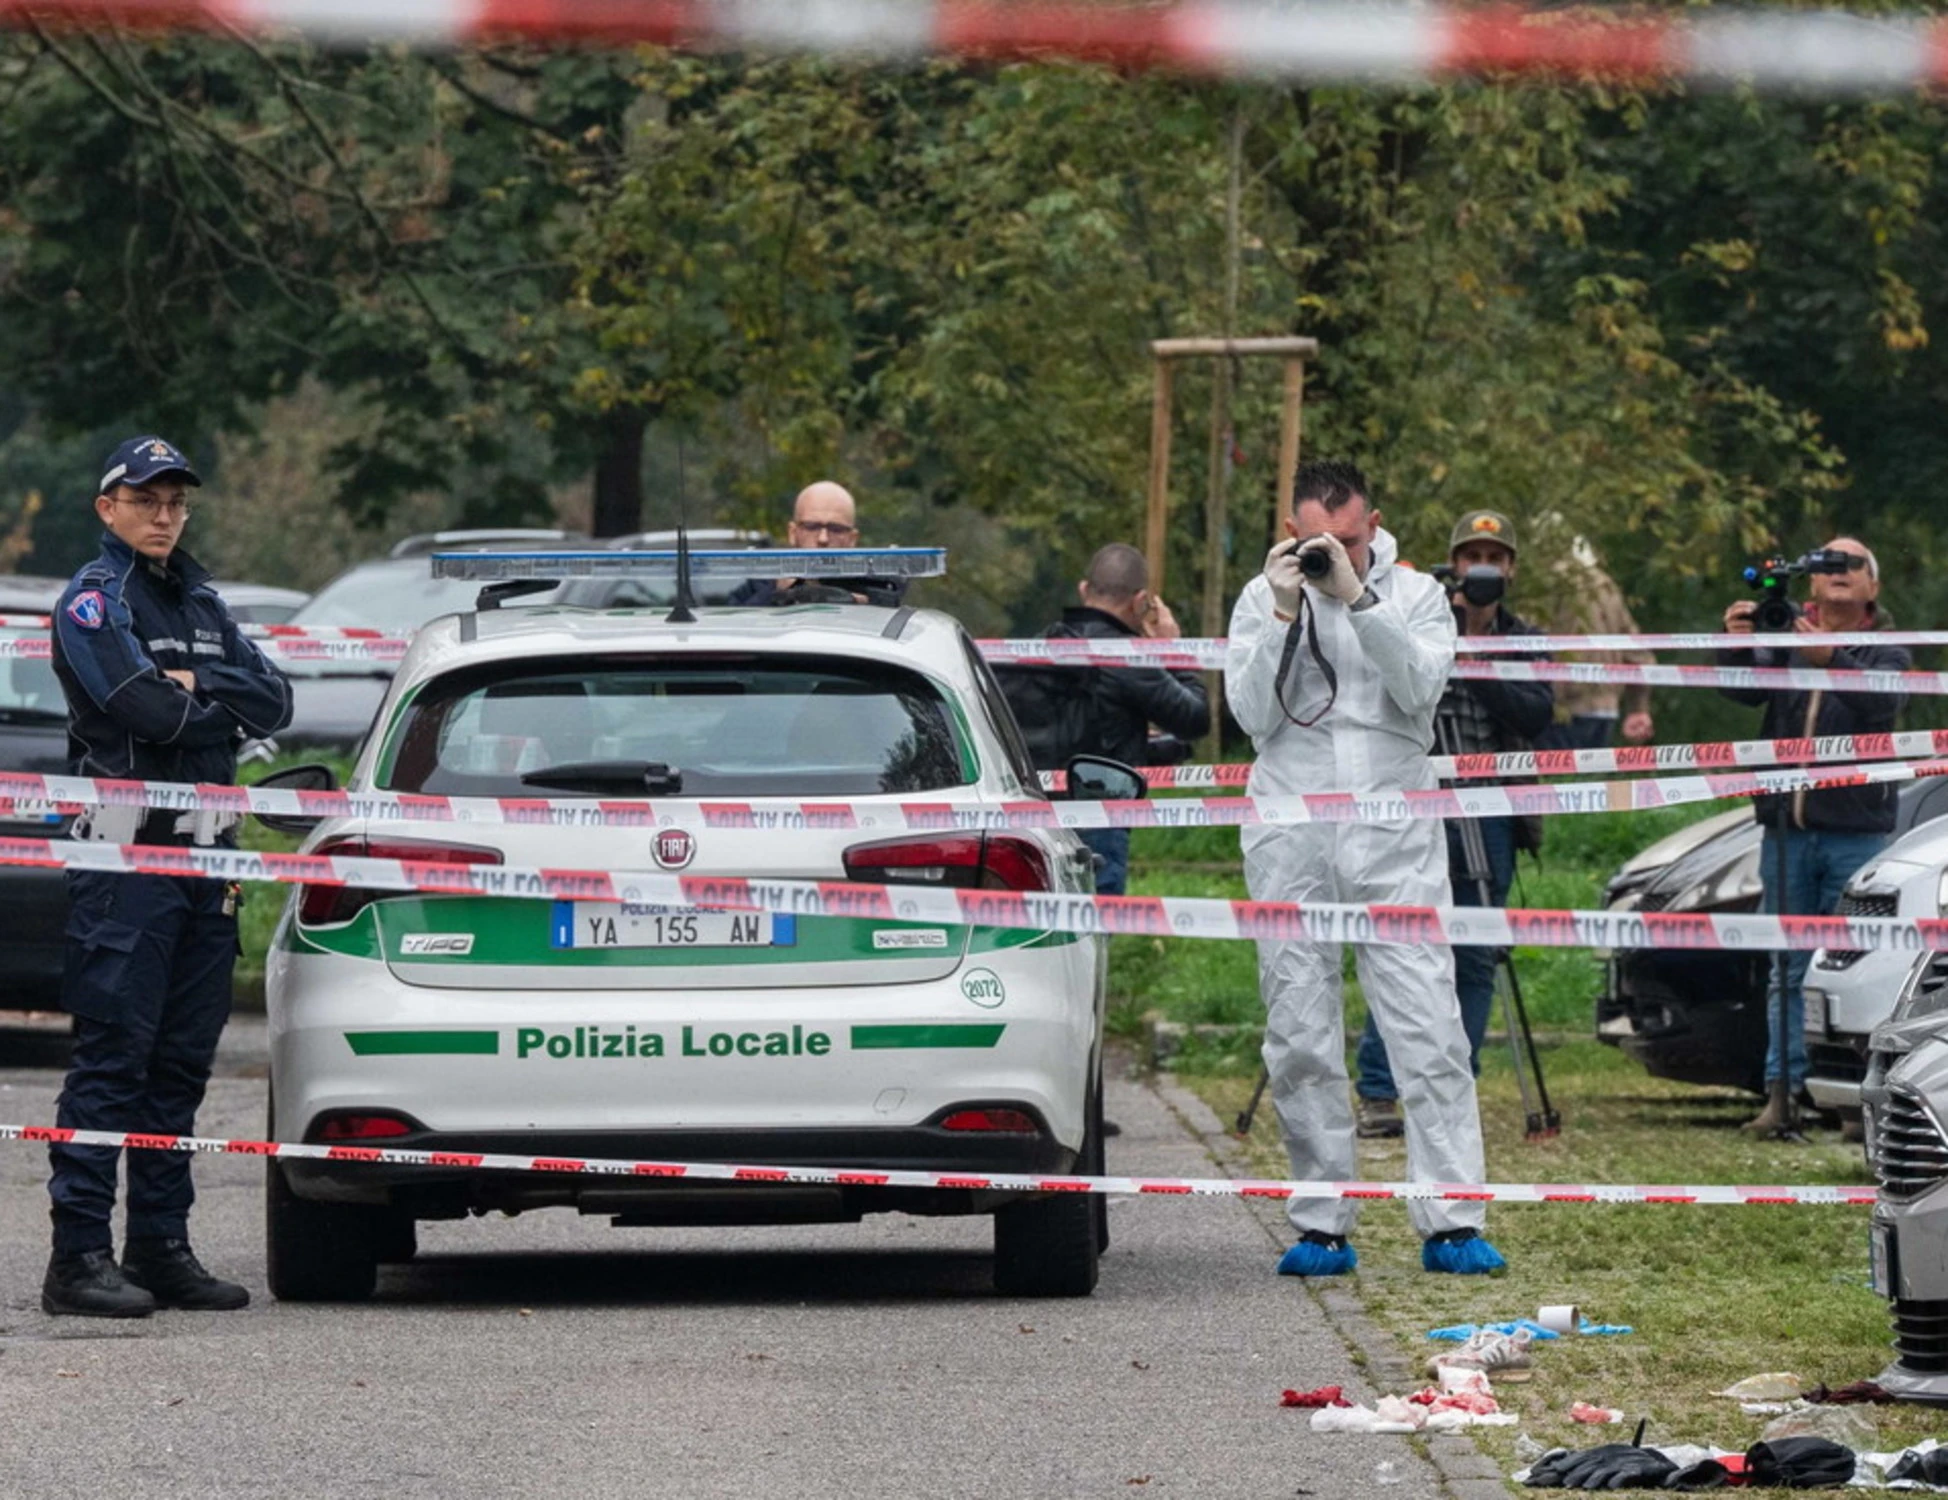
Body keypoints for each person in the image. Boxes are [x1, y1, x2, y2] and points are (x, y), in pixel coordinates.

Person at [1226, 460, 1502, 1277]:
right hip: (1291, 824)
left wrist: (1358, 598)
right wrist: (1283, 611)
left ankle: (1452, 1218)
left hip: (1392, 825)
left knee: (1427, 1024)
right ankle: (1322, 1221)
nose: (1336, 552)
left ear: (1374, 523)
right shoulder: (1259, 597)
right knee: (1299, 1031)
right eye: (1320, 542)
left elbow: (1419, 692)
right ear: (1291, 531)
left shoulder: (1415, 596)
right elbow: (1247, 716)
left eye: (1351, 539)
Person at [42, 436, 293, 1317]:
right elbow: (138, 705)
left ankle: (159, 1245)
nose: (163, 514)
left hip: (211, 847)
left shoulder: (201, 597)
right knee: (115, 1054)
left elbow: (277, 700)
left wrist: (199, 680)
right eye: (146, 499)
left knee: (181, 1062)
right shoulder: (91, 599)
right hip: (129, 853)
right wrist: (203, 698)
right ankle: (76, 1258)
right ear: (107, 506)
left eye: (176, 500)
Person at [1350, 510, 1553, 1139]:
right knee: (1402, 941)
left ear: (1511, 569)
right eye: (1471, 556)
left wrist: (1468, 656)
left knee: (1474, 952)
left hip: (1488, 808)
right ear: (1453, 564)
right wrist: (1442, 629)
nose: (1482, 568)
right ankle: (1381, 1091)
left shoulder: (1525, 638)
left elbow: (1539, 714)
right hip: (1413, 801)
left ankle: (1451, 1084)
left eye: (1494, 557)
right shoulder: (1416, 614)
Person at [1718, 537, 1907, 1133]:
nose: (1840, 573)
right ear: (1810, 586)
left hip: (1857, 834)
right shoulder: (1788, 636)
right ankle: (1783, 1093)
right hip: (1786, 833)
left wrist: (1834, 661)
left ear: (1873, 588)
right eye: (1829, 566)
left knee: (1859, 966)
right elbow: (1743, 691)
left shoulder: (1890, 650)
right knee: (1786, 969)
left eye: (1854, 564)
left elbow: (1886, 705)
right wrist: (1738, 644)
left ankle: (1855, 1100)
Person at [1002, 543, 1209, 894]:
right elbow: (1195, 718)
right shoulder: (1125, 658)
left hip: (1032, 813)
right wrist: (1172, 650)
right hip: (1100, 818)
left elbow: (1079, 730)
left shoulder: (1041, 645)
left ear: (1084, 590)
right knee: (1093, 932)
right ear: (1140, 600)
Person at [1537, 540, 1655, 751]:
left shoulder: (1548, 584)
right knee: (1590, 781)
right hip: (1605, 707)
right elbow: (1637, 651)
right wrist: (1639, 707)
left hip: (1562, 708)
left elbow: (1530, 640)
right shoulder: (1606, 586)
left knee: (1556, 781)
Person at [727, 480, 907, 607]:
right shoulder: (761, 583)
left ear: (853, 539)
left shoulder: (875, 584)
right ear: (792, 532)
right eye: (812, 527)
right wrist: (776, 593)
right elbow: (735, 631)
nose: (823, 539)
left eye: (835, 529)